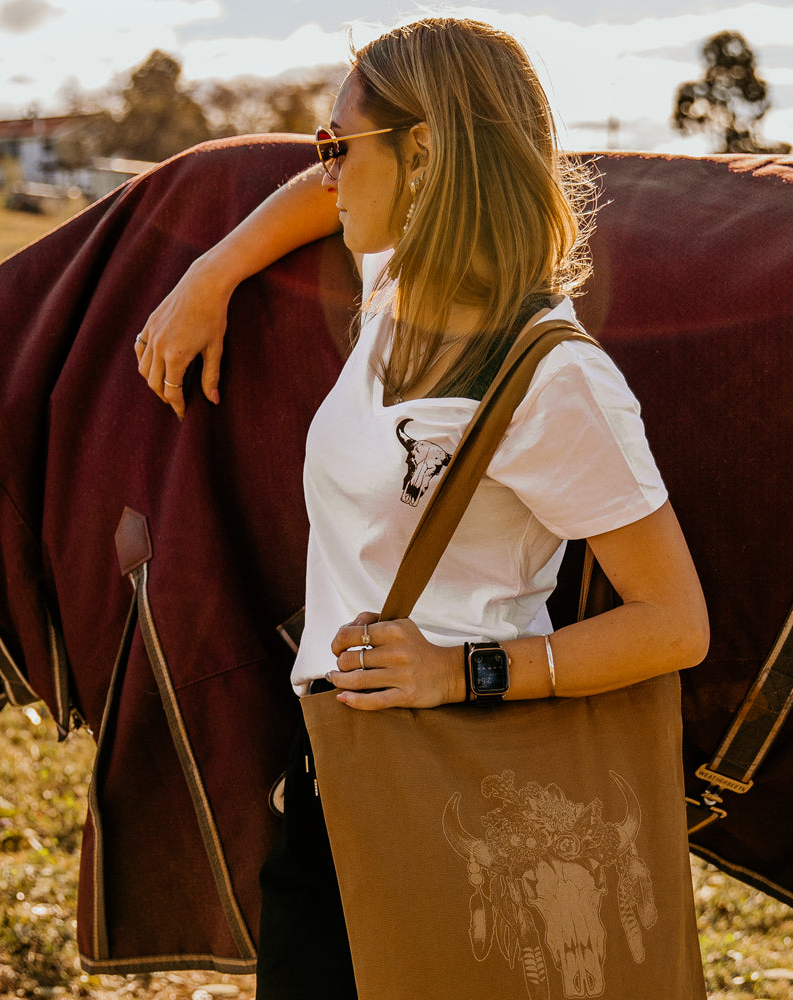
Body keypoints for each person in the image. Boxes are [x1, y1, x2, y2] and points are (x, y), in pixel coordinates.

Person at [135, 17, 709, 999]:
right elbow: (310, 197)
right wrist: (212, 271)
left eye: (336, 145)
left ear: (423, 156)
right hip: (337, 780)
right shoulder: (398, 282)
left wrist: (467, 670)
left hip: (457, 794)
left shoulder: (551, 376)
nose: (323, 171)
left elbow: (675, 623)